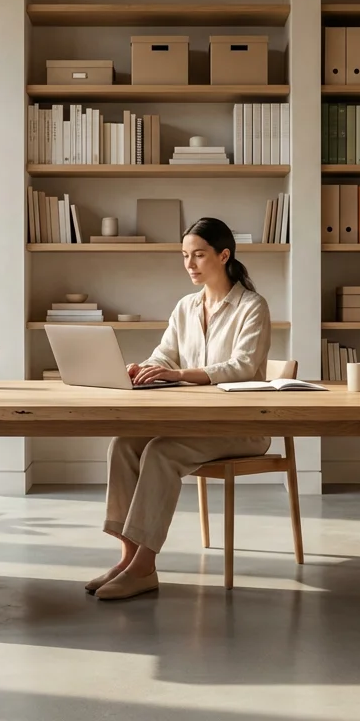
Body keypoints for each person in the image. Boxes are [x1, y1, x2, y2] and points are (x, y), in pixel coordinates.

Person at [88, 217, 272, 600]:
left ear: (224, 255)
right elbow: (164, 355)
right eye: (185, 256)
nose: (190, 264)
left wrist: (181, 373)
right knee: (124, 444)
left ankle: (144, 567)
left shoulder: (252, 307)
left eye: (199, 255)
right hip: (195, 423)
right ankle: (127, 558)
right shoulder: (186, 306)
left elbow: (241, 367)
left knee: (161, 451)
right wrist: (144, 368)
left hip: (241, 426)